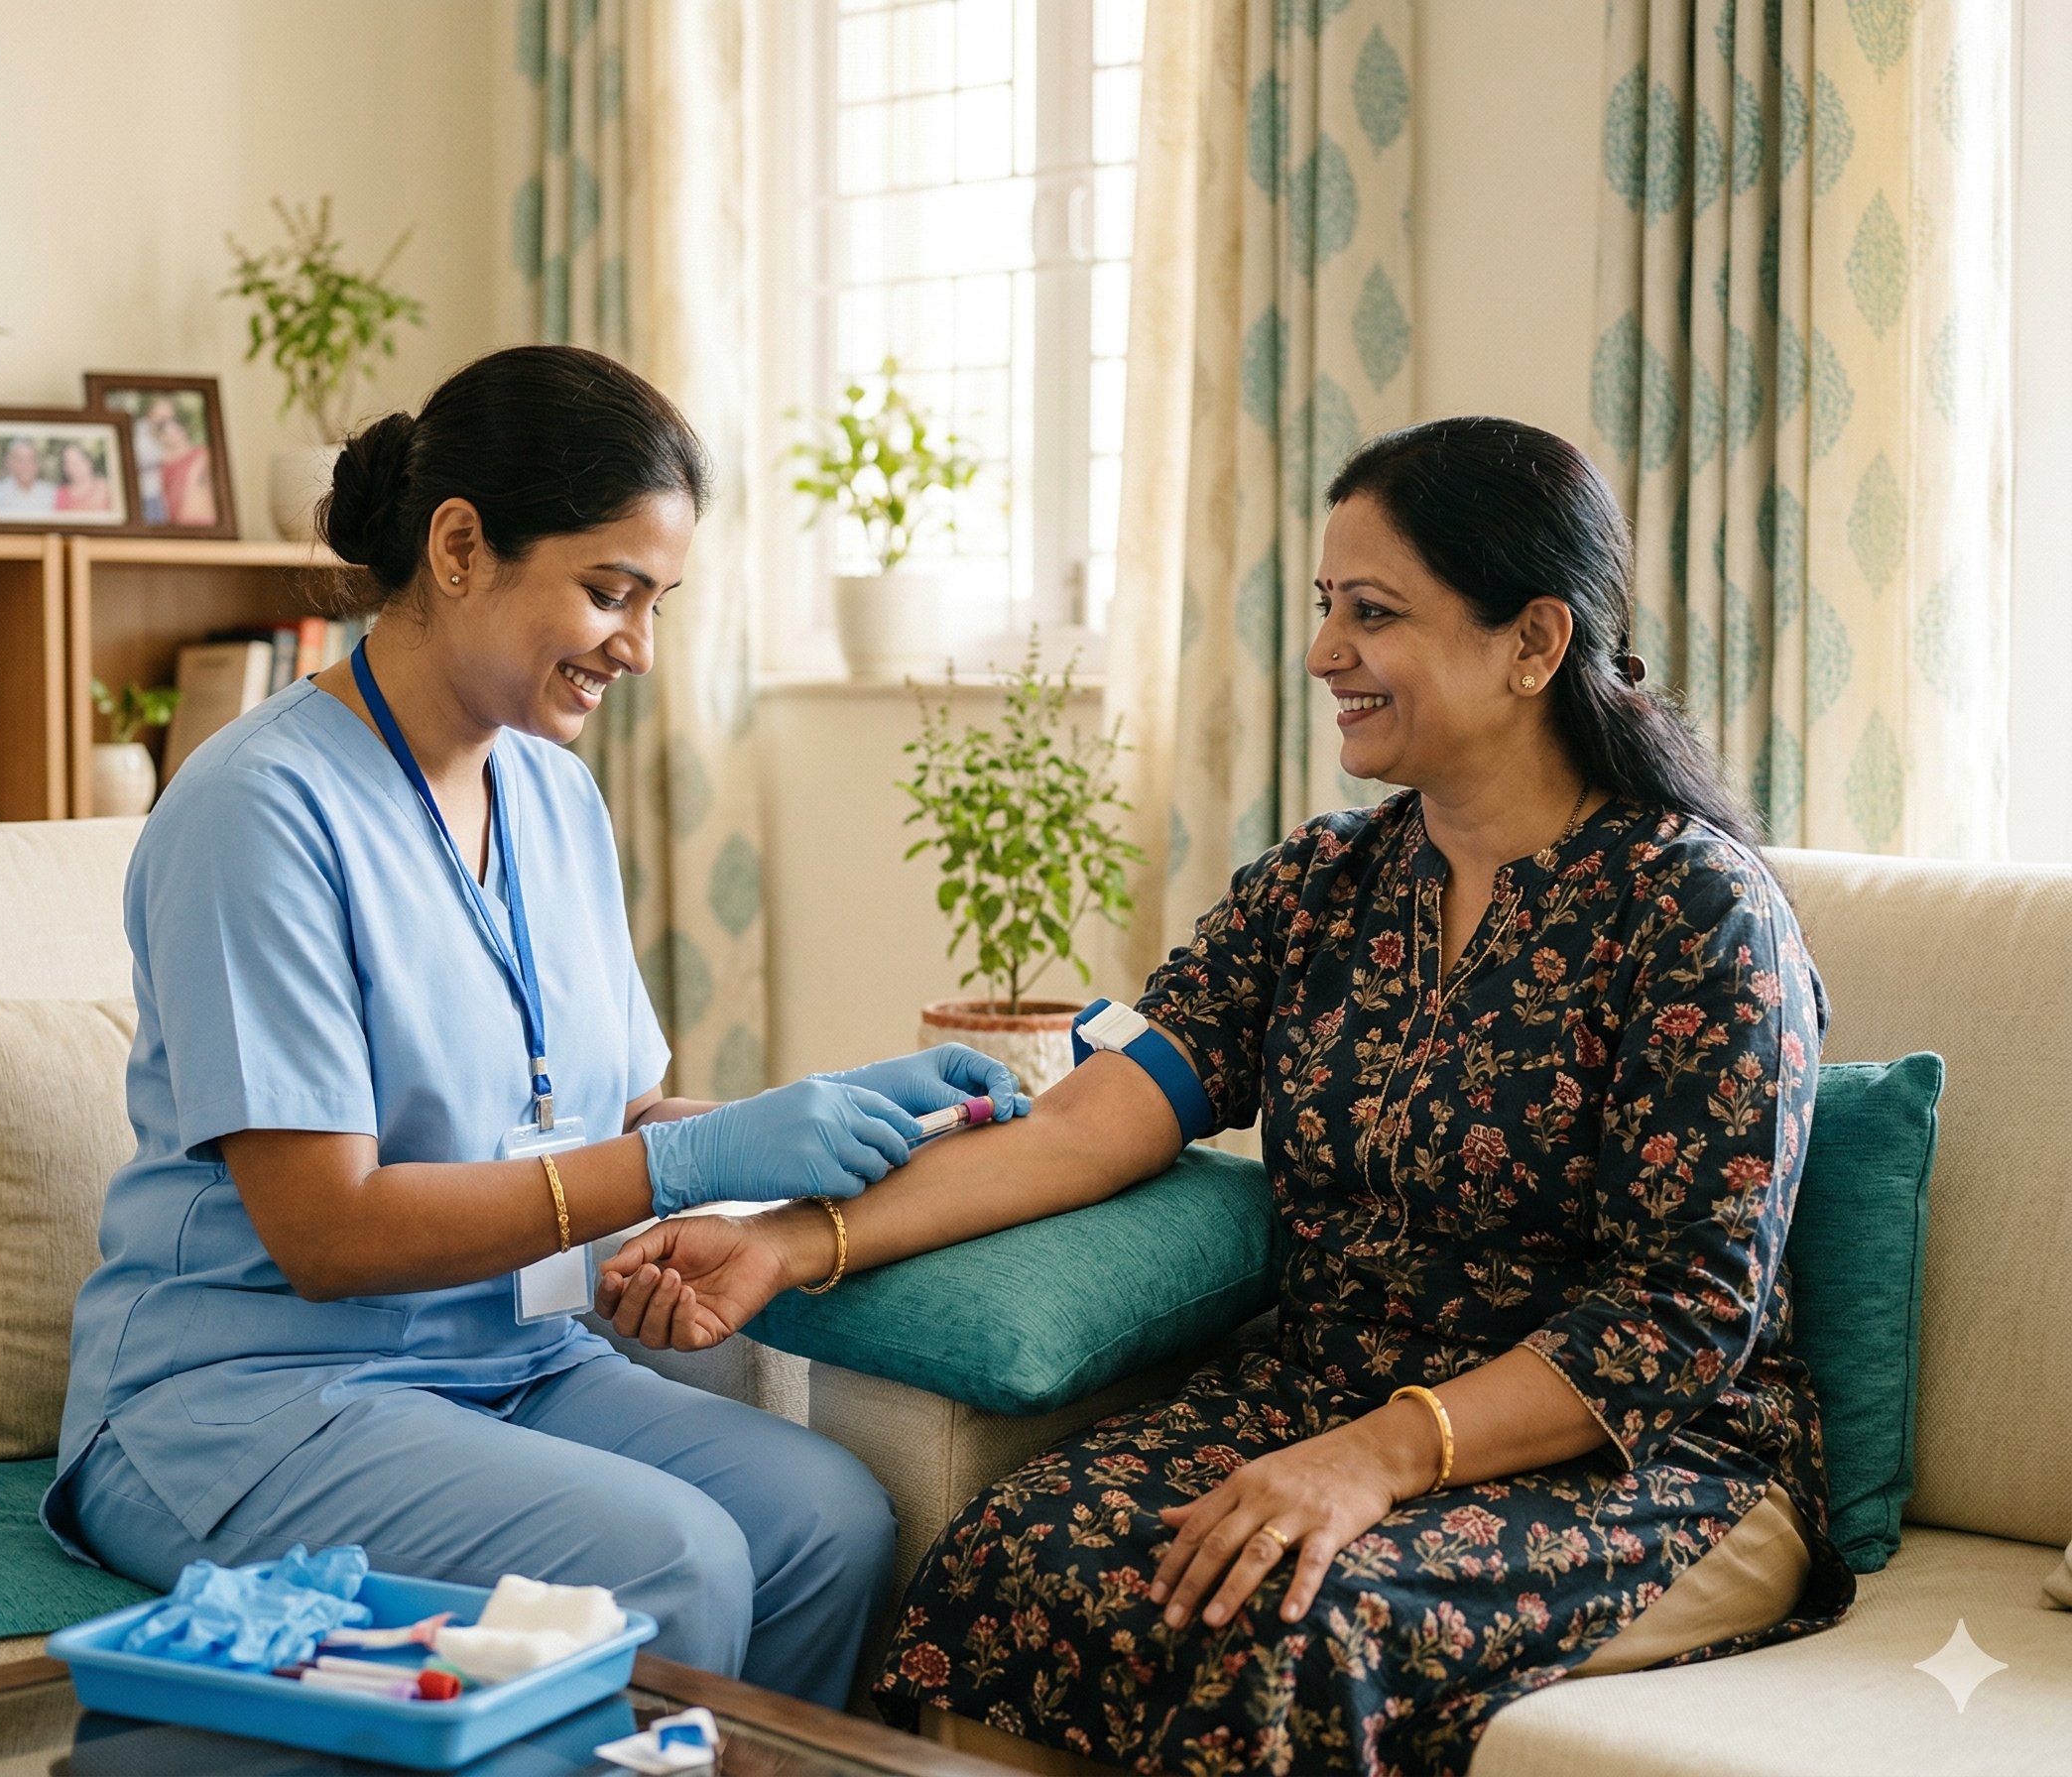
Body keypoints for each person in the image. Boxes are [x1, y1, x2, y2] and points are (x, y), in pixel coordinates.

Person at [598, 416, 1855, 1776]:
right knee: (1020, 1562)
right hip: (1325, 1400)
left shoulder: (1698, 914)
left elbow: (1683, 1318)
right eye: (1326, 608)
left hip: (1643, 1461)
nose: (1324, 654)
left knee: (1284, 1626)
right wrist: (786, 1238)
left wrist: (1378, 1456)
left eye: (1373, 614)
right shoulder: (1321, 889)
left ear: (1534, 644)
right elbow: (1083, 1129)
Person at [42, 344, 1024, 1711]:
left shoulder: (558, 804)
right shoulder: (255, 813)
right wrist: (679, 1165)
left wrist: (840, 1110)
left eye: (659, 601)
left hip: (515, 1359)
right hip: (254, 1394)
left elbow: (611, 1129)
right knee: (672, 1559)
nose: (640, 644)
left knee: (827, 1523)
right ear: (458, 547)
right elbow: (327, 1235)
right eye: (609, 590)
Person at [148, 396, 217, 527]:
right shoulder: (161, 468)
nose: (170, 428)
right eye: (161, 424)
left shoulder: (203, 456)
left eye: (174, 420)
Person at [0, 436, 57, 516]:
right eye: (20, 459)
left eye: (31, 459)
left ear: (38, 464)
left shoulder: (51, 494)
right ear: (9, 463)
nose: (26, 465)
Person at [53, 440, 112, 514]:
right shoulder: (61, 493)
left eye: (79, 460)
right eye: (68, 462)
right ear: (64, 468)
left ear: (89, 462)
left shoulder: (107, 488)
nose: (75, 466)